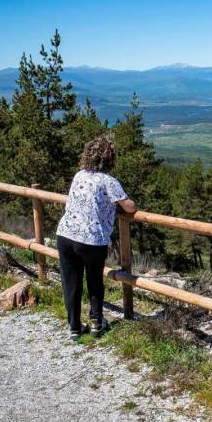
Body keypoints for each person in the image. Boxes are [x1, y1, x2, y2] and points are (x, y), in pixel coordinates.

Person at [56, 135, 136, 340]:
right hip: (91, 240)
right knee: (94, 281)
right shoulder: (109, 181)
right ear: (109, 158)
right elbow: (130, 207)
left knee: (71, 282)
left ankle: (74, 327)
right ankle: (97, 322)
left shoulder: (79, 175)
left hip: (65, 234)